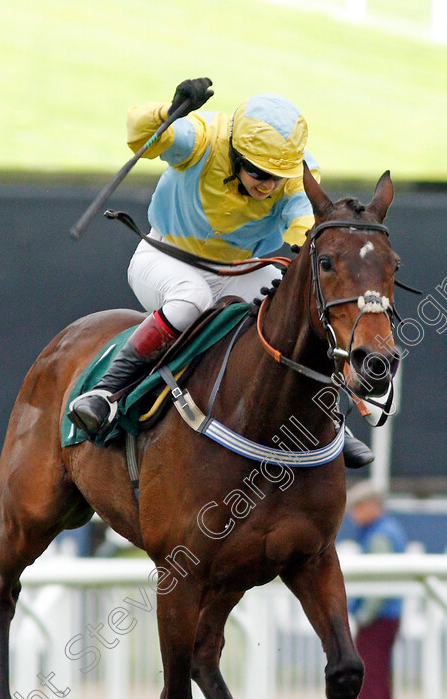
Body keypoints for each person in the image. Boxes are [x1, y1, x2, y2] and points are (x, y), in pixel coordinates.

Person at [68, 77, 373, 468]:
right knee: (190, 299)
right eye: (260, 174)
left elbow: (302, 222)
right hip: (167, 257)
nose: (269, 185)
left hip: (240, 269)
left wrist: (309, 243)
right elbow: (138, 130)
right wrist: (170, 110)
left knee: (297, 312)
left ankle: (327, 416)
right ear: (235, 155)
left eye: (277, 176)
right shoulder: (202, 139)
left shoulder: (296, 173)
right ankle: (106, 394)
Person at [346, 480, 407, 699]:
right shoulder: (385, 530)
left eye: (357, 506)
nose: (352, 514)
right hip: (386, 617)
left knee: (369, 680)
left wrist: (363, 615)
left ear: (372, 505)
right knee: (378, 678)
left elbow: (380, 584)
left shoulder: (380, 535)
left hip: (378, 619)